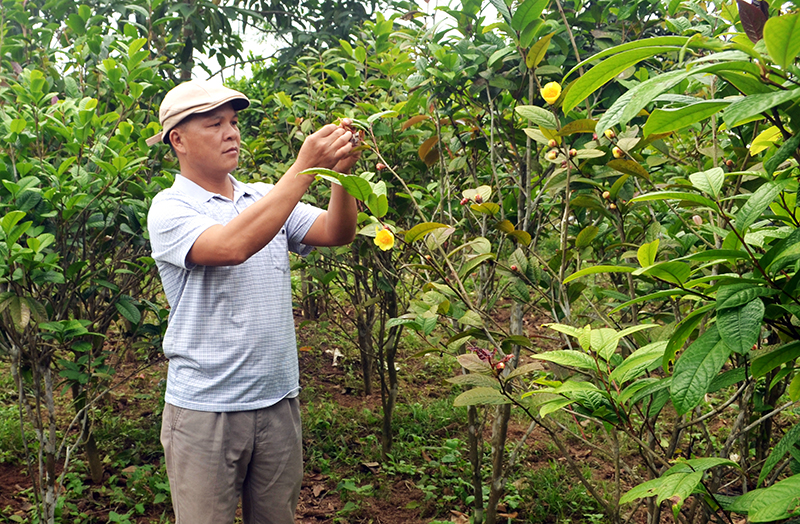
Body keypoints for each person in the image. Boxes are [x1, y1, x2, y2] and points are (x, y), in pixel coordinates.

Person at [145, 80, 359, 524]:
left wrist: (341, 174)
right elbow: (230, 247)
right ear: (177, 140)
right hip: (206, 411)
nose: (231, 133)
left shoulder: (263, 196)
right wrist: (303, 169)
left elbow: (336, 232)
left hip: (278, 402)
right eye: (215, 124)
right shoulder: (169, 208)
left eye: (234, 122)